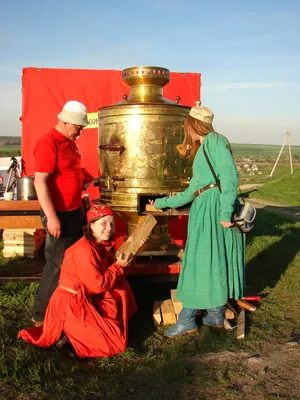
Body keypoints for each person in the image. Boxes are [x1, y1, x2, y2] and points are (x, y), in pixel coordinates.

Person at [149, 105, 245, 337]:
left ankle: (188, 319)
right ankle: (213, 313)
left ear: (193, 124)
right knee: (210, 259)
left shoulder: (215, 142)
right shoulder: (205, 146)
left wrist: (224, 214)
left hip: (212, 210)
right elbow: (192, 191)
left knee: (198, 262)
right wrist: (159, 204)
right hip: (204, 208)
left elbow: (230, 178)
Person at [18, 205, 137, 358]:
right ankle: (68, 333)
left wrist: (126, 260)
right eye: (104, 223)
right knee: (115, 345)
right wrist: (118, 267)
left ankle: (76, 333)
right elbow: (98, 285)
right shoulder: (84, 250)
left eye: (112, 223)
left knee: (121, 287)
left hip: (85, 298)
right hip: (71, 304)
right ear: (91, 225)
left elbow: (111, 271)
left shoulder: (97, 245)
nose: (109, 228)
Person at [31, 100, 93, 326]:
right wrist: (52, 217)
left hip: (74, 210)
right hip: (59, 212)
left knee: (73, 261)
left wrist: (85, 180)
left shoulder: (69, 143)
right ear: (65, 122)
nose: (81, 130)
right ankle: (40, 314)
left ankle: (67, 305)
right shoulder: (48, 143)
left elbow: (72, 169)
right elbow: (41, 182)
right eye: (78, 126)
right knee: (56, 263)